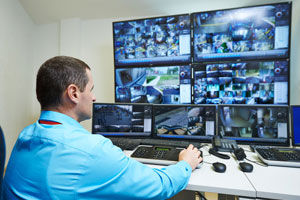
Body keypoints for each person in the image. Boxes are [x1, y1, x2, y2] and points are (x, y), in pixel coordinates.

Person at [2, 56, 202, 200]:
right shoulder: (93, 150)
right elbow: (159, 187)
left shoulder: (25, 135)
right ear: (73, 93)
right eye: (91, 89)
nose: (94, 97)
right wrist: (186, 163)